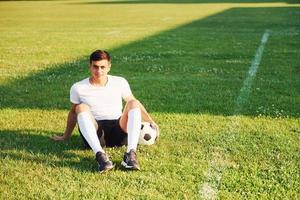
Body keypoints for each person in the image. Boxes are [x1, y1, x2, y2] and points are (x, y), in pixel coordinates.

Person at [51, 50, 159, 173]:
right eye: (95, 67)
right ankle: (101, 156)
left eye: (103, 67)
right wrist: (66, 135)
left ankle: (130, 155)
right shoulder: (78, 87)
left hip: (118, 130)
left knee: (133, 103)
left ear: (109, 67)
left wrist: (150, 121)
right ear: (90, 66)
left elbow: (134, 103)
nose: (99, 71)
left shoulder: (120, 82)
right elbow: (72, 113)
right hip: (95, 132)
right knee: (80, 107)